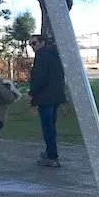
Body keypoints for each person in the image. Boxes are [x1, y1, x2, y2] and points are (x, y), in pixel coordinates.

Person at [29, 34, 67, 167]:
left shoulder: (42, 56)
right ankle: (50, 151)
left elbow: (39, 77)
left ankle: (52, 156)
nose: (32, 47)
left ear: (42, 42)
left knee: (47, 127)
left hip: (45, 97)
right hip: (55, 95)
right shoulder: (54, 55)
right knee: (51, 125)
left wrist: (32, 93)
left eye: (34, 43)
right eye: (30, 45)